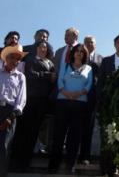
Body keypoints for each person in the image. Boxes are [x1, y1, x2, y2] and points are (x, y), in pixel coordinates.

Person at [11, 40, 56, 171]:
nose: (43, 49)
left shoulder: (50, 63)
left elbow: (54, 78)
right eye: (41, 46)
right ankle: (15, 162)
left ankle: (25, 162)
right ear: (36, 48)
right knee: (23, 131)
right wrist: (48, 75)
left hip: (43, 102)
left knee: (33, 133)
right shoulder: (31, 60)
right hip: (30, 100)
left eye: (45, 47)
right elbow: (30, 75)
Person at [48, 44, 92, 174]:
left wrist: (78, 94)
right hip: (63, 102)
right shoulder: (66, 65)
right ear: (73, 53)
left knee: (75, 136)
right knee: (59, 134)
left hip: (80, 104)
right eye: (77, 51)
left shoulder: (88, 68)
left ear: (85, 55)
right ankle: (53, 165)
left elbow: (89, 85)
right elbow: (60, 81)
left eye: (82, 52)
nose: (79, 53)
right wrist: (67, 93)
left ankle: (70, 164)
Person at [97, 35, 119, 177]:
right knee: (106, 135)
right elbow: (100, 83)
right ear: (114, 44)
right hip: (107, 104)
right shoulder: (106, 61)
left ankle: (116, 168)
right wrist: (100, 101)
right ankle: (104, 168)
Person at [0, 45, 27, 177]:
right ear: (6, 58)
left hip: (9, 112)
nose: (14, 60)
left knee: (4, 146)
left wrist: (10, 117)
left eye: (17, 58)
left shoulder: (21, 77)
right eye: (12, 57)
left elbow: (21, 100)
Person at [78, 36, 102, 165]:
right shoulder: (78, 57)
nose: (89, 44)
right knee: (75, 127)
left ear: (95, 45)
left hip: (92, 98)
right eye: (86, 42)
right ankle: (72, 154)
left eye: (91, 42)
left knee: (88, 128)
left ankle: (84, 156)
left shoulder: (101, 59)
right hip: (77, 97)